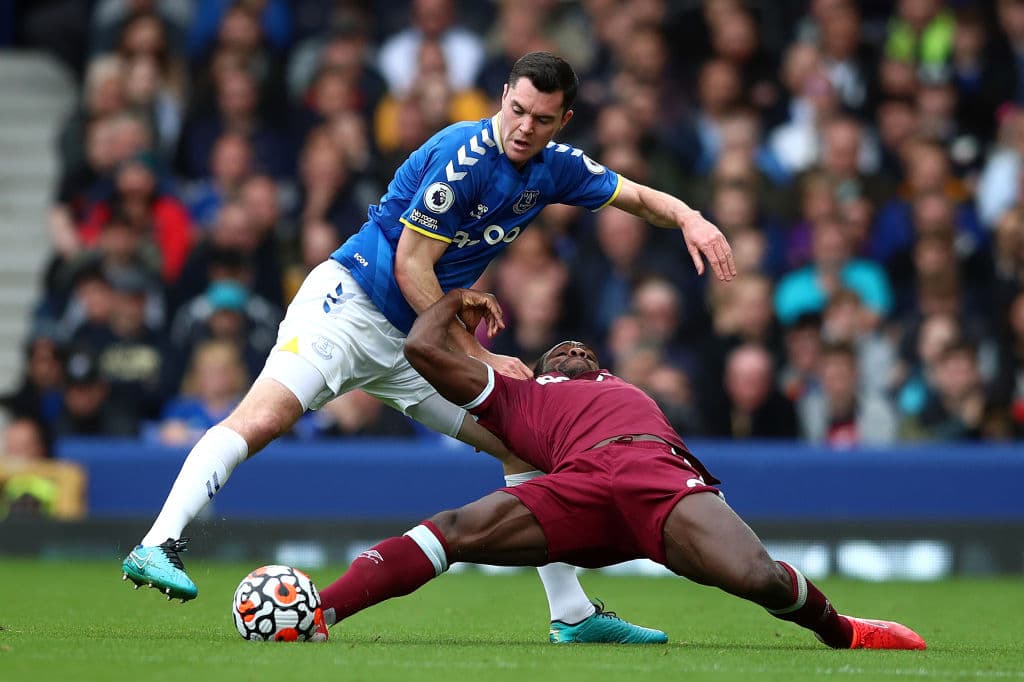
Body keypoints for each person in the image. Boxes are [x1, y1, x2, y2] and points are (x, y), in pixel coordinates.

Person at [122, 52, 734, 643]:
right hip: (352, 306)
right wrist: (482, 356)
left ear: (563, 121)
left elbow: (636, 196)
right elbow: (415, 266)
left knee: (526, 444)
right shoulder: (463, 156)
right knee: (264, 417)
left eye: (542, 119)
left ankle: (571, 614)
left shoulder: (555, 166)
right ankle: (158, 542)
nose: (525, 127)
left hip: (416, 343)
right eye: (517, 109)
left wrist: (690, 217)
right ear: (503, 97)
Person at [308, 288, 926, 650]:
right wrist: (453, 303)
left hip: (655, 475)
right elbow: (419, 349)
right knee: (454, 528)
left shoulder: (629, 389)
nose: (573, 349)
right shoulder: (518, 394)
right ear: (538, 364)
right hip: (579, 486)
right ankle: (320, 614)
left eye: (583, 348)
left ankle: (842, 631)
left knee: (757, 575)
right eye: (561, 349)